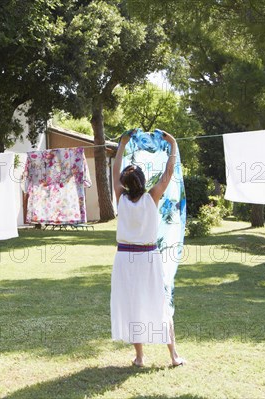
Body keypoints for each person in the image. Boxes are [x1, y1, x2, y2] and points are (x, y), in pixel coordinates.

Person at [110, 129, 185, 367]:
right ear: (143, 182)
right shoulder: (152, 196)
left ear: (124, 183)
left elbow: (114, 170)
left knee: (133, 304)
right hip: (147, 258)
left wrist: (122, 145)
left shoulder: (120, 196)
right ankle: (173, 356)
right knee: (159, 303)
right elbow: (168, 173)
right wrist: (172, 143)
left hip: (125, 259)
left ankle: (140, 357)